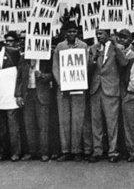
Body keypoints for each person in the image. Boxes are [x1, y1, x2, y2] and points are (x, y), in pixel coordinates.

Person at [88, 29, 127, 162]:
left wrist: (116, 47)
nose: (98, 36)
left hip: (110, 89)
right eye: (97, 34)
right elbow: (87, 69)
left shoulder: (117, 48)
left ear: (108, 34)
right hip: (96, 89)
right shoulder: (92, 48)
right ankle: (97, 150)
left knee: (112, 122)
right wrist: (93, 60)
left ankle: (113, 151)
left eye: (101, 33)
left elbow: (124, 63)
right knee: (96, 122)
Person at [52, 21, 89, 162]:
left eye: (74, 31)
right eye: (69, 31)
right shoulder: (60, 47)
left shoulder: (83, 46)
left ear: (77, 32)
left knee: (78, 119)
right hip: (63, 88)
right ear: (65, 33)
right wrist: (61, 84)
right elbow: (55, 67)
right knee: (64, 120)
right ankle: (65, 150)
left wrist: (78, 81)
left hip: (78, 87)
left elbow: (84, 66)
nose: (72, 34)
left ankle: (77, 150)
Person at [15, 57, 52, 162]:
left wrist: (42, 75)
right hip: (27, 94)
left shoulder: (46, 57)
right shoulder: (23, 58)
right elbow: (19, 78)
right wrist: (18, 95)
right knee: (29, 125)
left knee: (43, 124)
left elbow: (53, 74)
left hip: (41, 94)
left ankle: (44, 152)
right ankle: (32, 152)